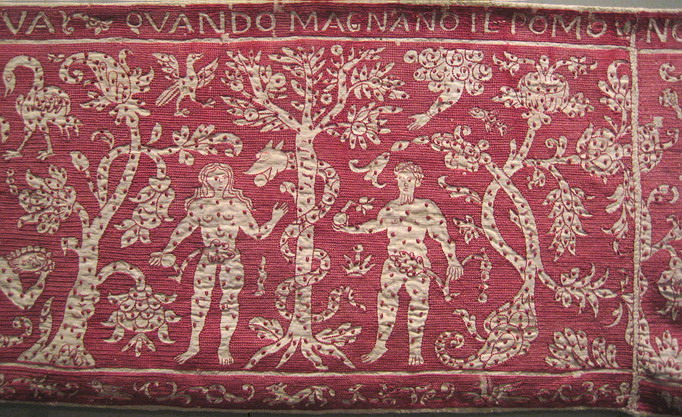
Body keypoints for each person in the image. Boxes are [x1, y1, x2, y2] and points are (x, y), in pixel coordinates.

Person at [150, 163, 288, 365]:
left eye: (222, 177)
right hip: (208, 257)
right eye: (213, 177)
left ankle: (224, 346)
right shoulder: (199, 205)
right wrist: (166, 250)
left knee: (229, 302)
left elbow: (257, 233)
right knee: (200, 301)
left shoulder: (237, 205)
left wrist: (275, 219)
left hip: (231, 259)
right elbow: (182, 230)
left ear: (229, 179)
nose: (219, 180)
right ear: (205, 180)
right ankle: (193, 346)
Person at [333, 161, 463, 365]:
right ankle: (380, 345)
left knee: (419, 304)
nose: (405, 184)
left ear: (417, 182)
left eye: (409, 179)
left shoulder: (426, 207)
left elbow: (443, 237)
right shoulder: (390, 208)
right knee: (386, 302)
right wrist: (349, 229)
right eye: (401, 179)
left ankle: (415, 351)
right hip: (393, 263)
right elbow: (374, 226)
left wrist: (453, 261)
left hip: (419, 265)